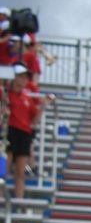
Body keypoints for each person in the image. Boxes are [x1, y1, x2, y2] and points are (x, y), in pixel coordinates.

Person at [6, 64, 44, 202]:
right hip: (9, 132)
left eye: (25, 78)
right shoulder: (6, 93)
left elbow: (34, 121)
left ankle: (18, 202)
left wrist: (43, 106)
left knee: (20, 173)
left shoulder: (27, 97)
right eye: (20, 77)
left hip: (23, 134)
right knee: (3, 170)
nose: (23, 80)